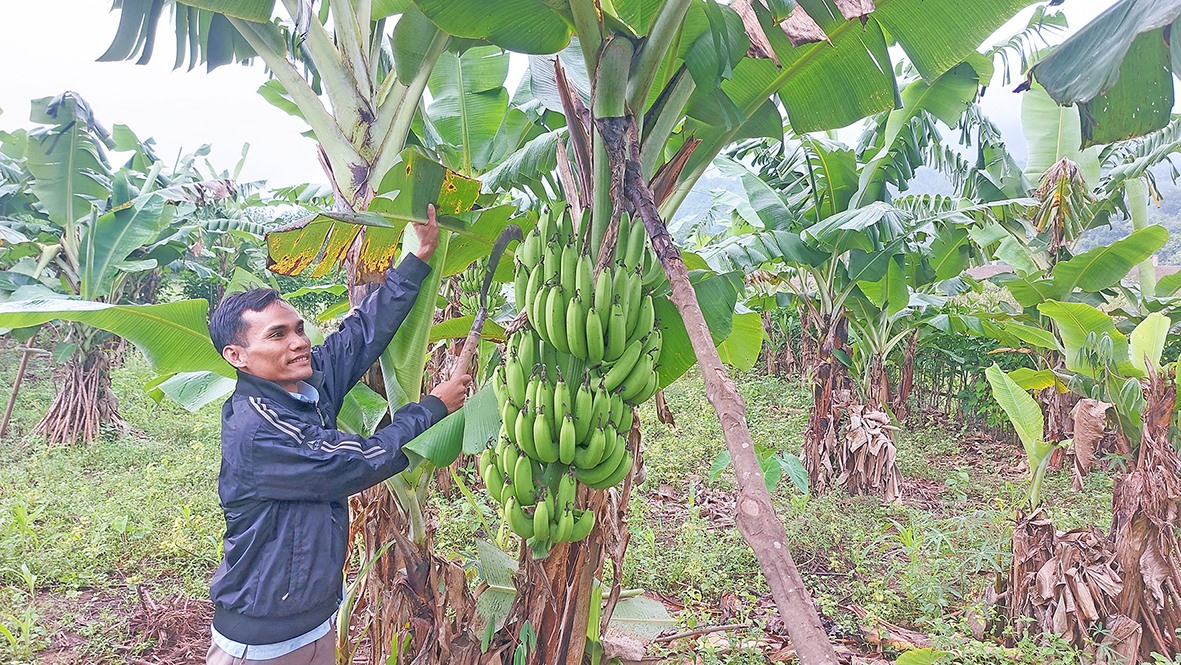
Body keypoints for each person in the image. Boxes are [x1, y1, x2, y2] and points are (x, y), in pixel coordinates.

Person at [204, 205, 471, 665]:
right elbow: (358, 460)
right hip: (262, 641)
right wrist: (432, 407)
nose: (298, 342)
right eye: (277, 335)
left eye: (299, 329)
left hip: (314, 620)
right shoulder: (259, 431)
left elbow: (360, 335)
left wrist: (418, 258)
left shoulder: (303, 389)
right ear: (238, 355)